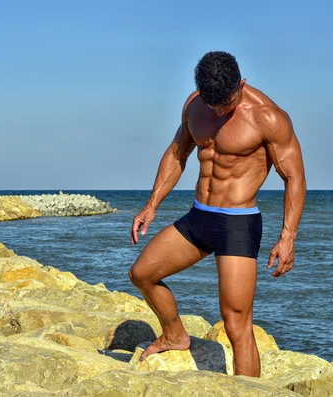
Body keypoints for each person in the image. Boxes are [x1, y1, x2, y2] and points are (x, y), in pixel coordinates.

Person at [128, 51, 306, 377]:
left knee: (237, 322)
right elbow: (178, 152)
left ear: (242, 83)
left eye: (227, 102)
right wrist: (151, 206)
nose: (221, 111)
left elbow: (294, 178)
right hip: (198, 217)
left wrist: (287, 238)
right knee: (142, 274)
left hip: (237, 225)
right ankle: (174, 335)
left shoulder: (268, 118)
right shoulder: (195, 104)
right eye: (215, 106)